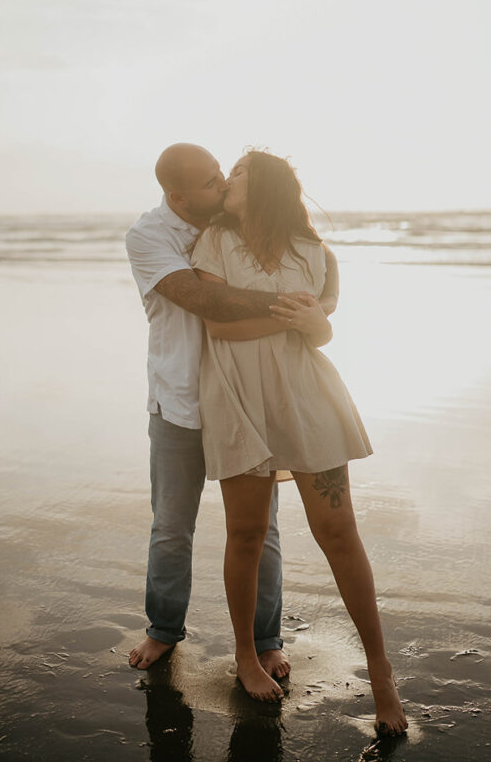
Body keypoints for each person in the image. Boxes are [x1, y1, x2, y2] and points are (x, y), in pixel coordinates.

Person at [190, 150, 408, 736]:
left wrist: (315, 323)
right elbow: (218, 325)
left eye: (237, 171)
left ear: (263, 186)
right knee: (247, 533)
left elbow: (325, 327)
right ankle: (245, 654)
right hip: (239, 399)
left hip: (308, 399)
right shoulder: (214, 241)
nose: (228, 179)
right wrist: (297, 320)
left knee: (339, 533)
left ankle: (382, 674)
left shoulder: (317, 254)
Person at [125, 143, 339, 677]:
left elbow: (308, 251)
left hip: (244, 401)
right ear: (177, 196)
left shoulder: (233, 222)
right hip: (179, 401)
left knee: (259, 529)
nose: (222, 186)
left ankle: (266, 640)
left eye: (224, 175)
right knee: (172, 526)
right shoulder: (149, 236)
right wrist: (298, 307)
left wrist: (321, 304)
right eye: (209, 182)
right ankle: (163, 630)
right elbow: (208, 303)